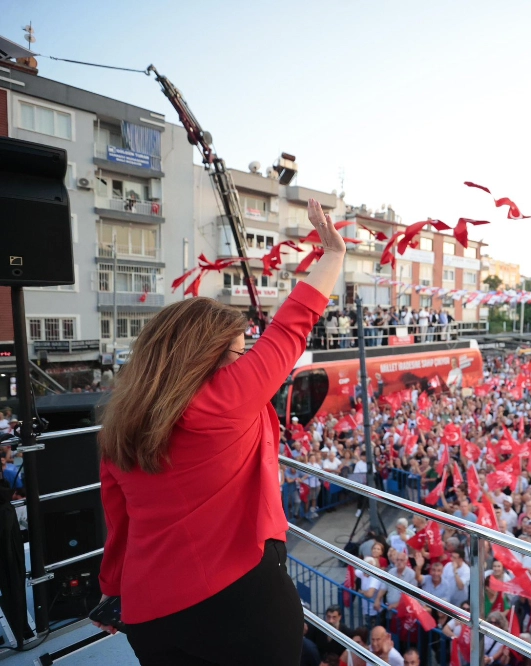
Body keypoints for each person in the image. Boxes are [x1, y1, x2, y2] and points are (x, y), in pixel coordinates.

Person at [94, 198, 346, 665]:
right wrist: (333, 255)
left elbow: (120, 525)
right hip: (239, 604)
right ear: (206, 356)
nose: (245, 362)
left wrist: (112, 589)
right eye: (239, 353)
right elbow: (291, 327)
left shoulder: (120, 425)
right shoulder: (225, 397)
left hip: (148, 614)